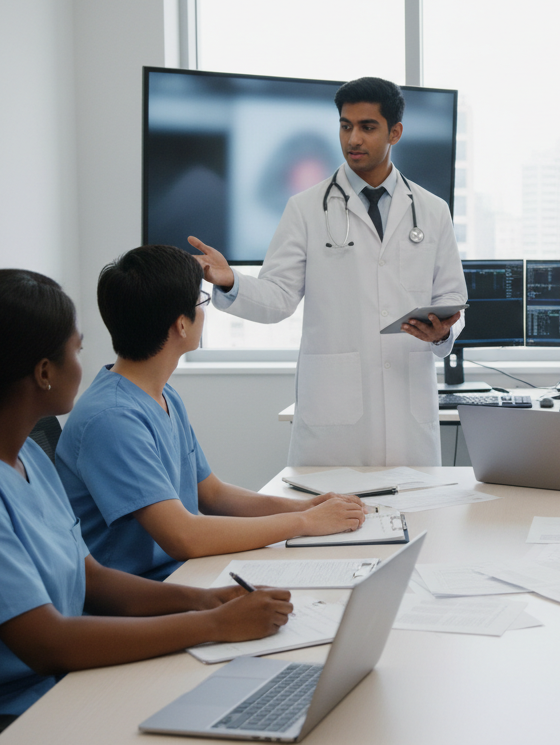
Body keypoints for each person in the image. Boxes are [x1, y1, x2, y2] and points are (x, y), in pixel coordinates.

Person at [0, 270, 291, 732]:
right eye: (76, 348)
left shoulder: (25, 454)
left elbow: (89, 577)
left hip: (53, 688)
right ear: (44, 372)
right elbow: (48, 642)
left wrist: (203, 601)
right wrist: (214, 625)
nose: (83, 363)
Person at [188, 77, 466, 466]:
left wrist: (444, 332)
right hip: (336, 419)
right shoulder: (305, 208)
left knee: (417, 516)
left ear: (395, 132)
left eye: (367, 127)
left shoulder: (432, 211)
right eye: (345, 125)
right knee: (334, 518)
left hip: (409, 407)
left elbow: (452, 302)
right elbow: (278, 298)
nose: (353, 138)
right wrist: (231, 281)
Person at [56, 246, 366, 581]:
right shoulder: (111, 419)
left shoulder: (161, 395)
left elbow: (213, 495)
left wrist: (307, 507)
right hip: (142, 596)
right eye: (201, 303)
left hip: (183, 573)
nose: (204, 312)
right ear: (181, 326)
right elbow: (183, 537)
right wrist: (305, 524)